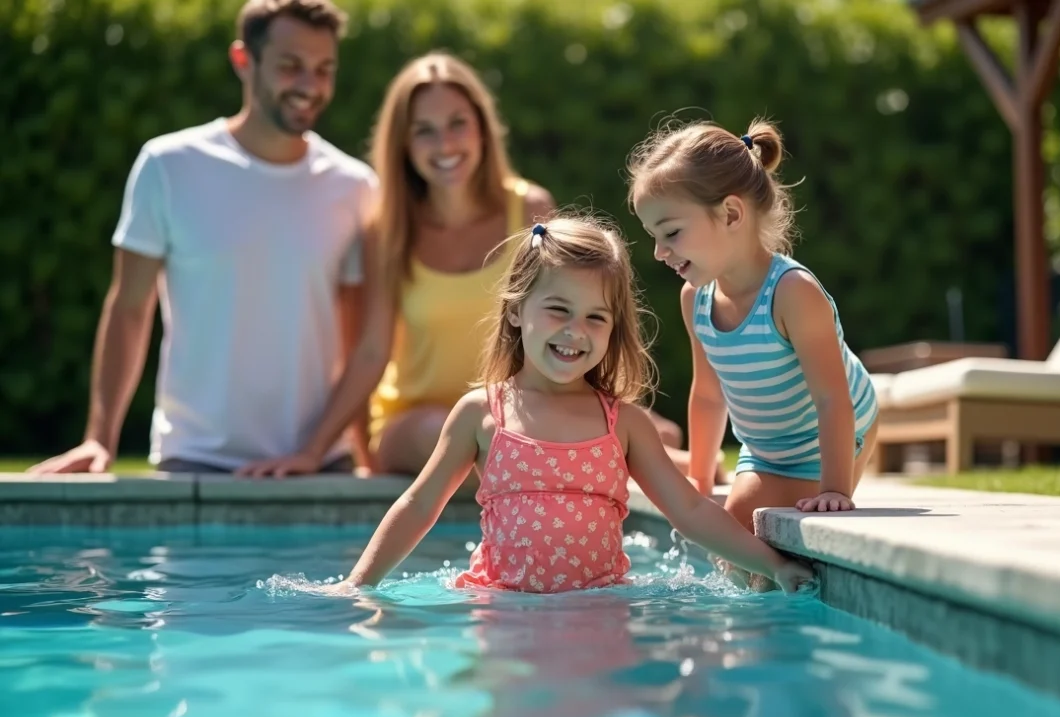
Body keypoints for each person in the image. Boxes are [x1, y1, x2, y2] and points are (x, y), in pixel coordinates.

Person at [239, 50, 710, 483]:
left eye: (457, 123)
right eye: (424, 129)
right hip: (415, 422)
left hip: (522, 406)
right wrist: (315, 450)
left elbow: (572, 312)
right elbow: (369, 352)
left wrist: (601, 405)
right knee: (475, 435)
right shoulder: (387, 230)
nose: (444, 142)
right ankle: (669, 472)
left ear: (482, 128)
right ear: (403, 143)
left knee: (659, 433)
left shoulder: (529, 210)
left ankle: (682, 472)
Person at [339, 214, 812, 593]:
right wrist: (358, 585)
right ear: (517, 310)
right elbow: (420, 505)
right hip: (502, 610)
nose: (575, 331)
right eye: (558, 310)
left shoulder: (622, 423)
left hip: (599, 612)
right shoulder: (482, 414)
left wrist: (772, 566)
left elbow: (689, 510)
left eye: (595, 318)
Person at [28, 0, 376, 476]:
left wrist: (329, 449)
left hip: (315, 463)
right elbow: (129, 309)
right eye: (290, 66)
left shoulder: (356, 187)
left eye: (324, 69)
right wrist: (100, 439)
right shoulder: (168, 165)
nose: (310, 86)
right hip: (194, 458)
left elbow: (362, 339)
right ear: (242, 60)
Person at [628, 118, 879, 586]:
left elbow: (833, 398)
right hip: (765, 449)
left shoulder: (791, 293)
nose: (659, 252)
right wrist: (700, 482)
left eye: (671, 233)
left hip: (838, 429)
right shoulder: (697, 299)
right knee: (726, 534)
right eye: (653, 236)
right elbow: (707, 396)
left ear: (730, 215)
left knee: (742, 529)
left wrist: (835, 490)